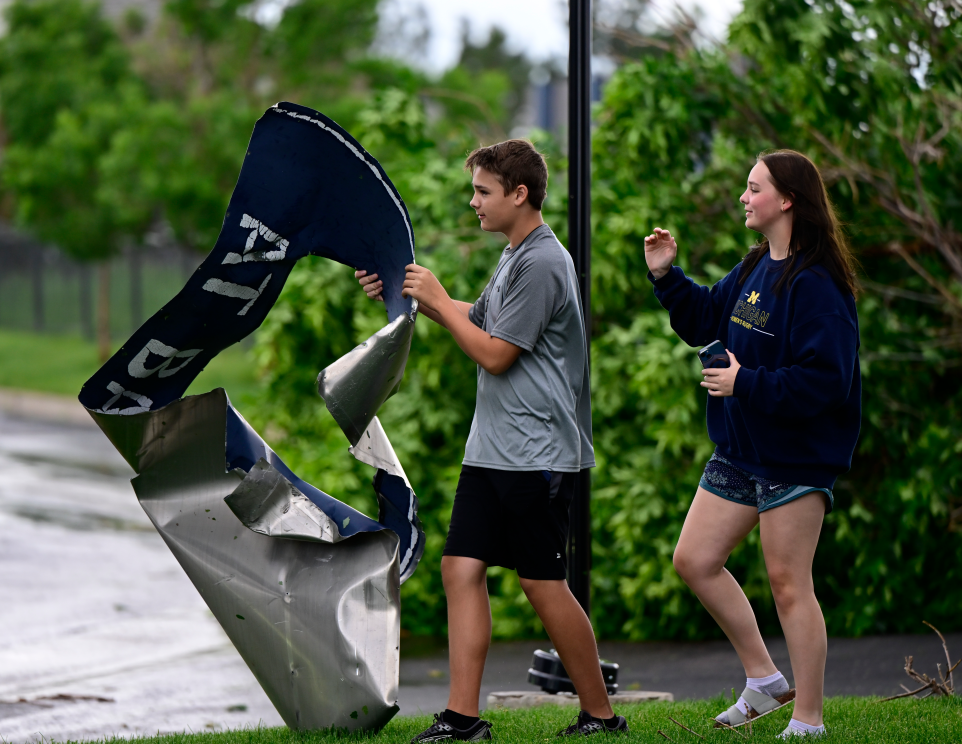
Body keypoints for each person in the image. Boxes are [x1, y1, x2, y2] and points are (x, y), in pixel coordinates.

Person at [356, 139, 627, 740]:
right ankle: (462, 717)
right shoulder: (514, 254)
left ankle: (601, 716)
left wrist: (433, 298)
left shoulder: (543, 263)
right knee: (460, 568)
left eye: (483, 191)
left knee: (541, 583)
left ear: (518, 194)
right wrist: (408, 294)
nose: (473, 202)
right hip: (492, 449)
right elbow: (478, 317)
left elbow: (496, 354)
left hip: (537, 453)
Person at [643, 150, 861, 739]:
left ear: (786, 200)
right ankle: (764, 680)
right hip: (742, 449)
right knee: (693, 560)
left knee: (790, 586)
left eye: (753, 187)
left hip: (795, 458)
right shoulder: (755, 265)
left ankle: (809, 719)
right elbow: (704, 319)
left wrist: (747, 383)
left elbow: (827, 381)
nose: (744, 196)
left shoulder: (818, 285)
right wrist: (667, 275)